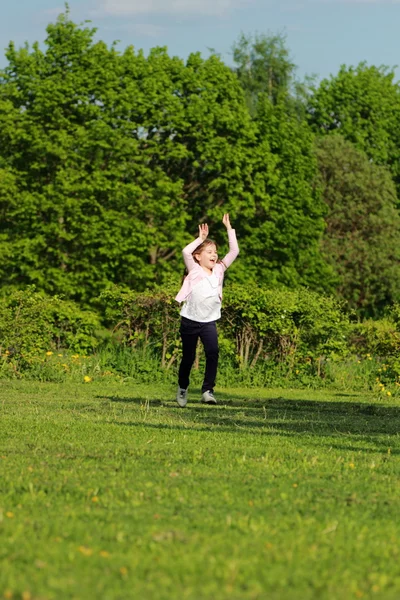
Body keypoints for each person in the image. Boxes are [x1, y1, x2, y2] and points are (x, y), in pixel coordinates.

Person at [175, 214, 239, 407]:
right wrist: (200, 240)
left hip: (209, 321)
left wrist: (229, 228)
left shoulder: (219, 269)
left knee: (213, 352)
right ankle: (183, 388)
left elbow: (234, 250)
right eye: (209, 252)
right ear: (198, 256)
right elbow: (185, 252)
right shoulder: (194, 269)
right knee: (188, 357)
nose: (214, 255)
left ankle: (208, 391)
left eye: (215, 252)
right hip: (190, 320)